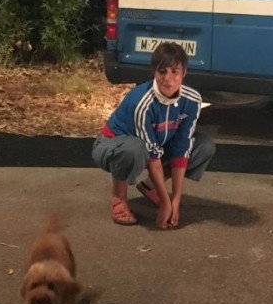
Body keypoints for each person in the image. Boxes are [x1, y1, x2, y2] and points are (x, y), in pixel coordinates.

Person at [92, 41, 216, 228]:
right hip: (113, 145)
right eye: (162, 71)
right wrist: (165, 204)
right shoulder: (141, 102)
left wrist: (175, 200)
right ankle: (119, 197)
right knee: (134, 149)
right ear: (154, 72)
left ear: (184, 73)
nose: (168, 79)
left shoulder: (192, 99)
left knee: (203, 146)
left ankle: (151, 186)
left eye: (174, 71)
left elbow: (182, 147)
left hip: (157, 143)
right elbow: (152, 156)